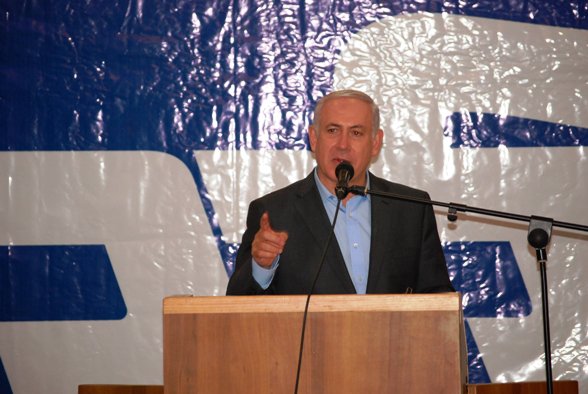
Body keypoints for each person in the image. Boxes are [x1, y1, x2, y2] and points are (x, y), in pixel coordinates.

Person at [226, 89, 453, 295]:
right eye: (333, 130)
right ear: (314, 138)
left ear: (375, 142)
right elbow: (239, 305)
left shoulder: (411, 208)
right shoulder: (274, 212)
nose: (343, 145)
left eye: (356, 133)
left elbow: (438, 298)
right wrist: (261, 267)